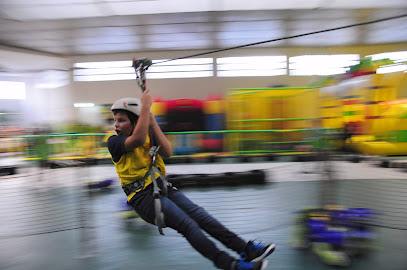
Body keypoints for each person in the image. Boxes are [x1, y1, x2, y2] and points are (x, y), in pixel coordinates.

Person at [107, 90, 275, 270]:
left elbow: (167, 152)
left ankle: (246, 249)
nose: (116, 124)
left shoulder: (147, 136)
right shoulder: (114, 142)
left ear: (135, 121)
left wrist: (152, 123)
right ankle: (230, 265)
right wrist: (146, 106)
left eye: (121, 120)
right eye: (115, 120)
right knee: (189, 226)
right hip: (144, 198)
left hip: (161, 187)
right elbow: (137, 138)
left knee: (203, 217)